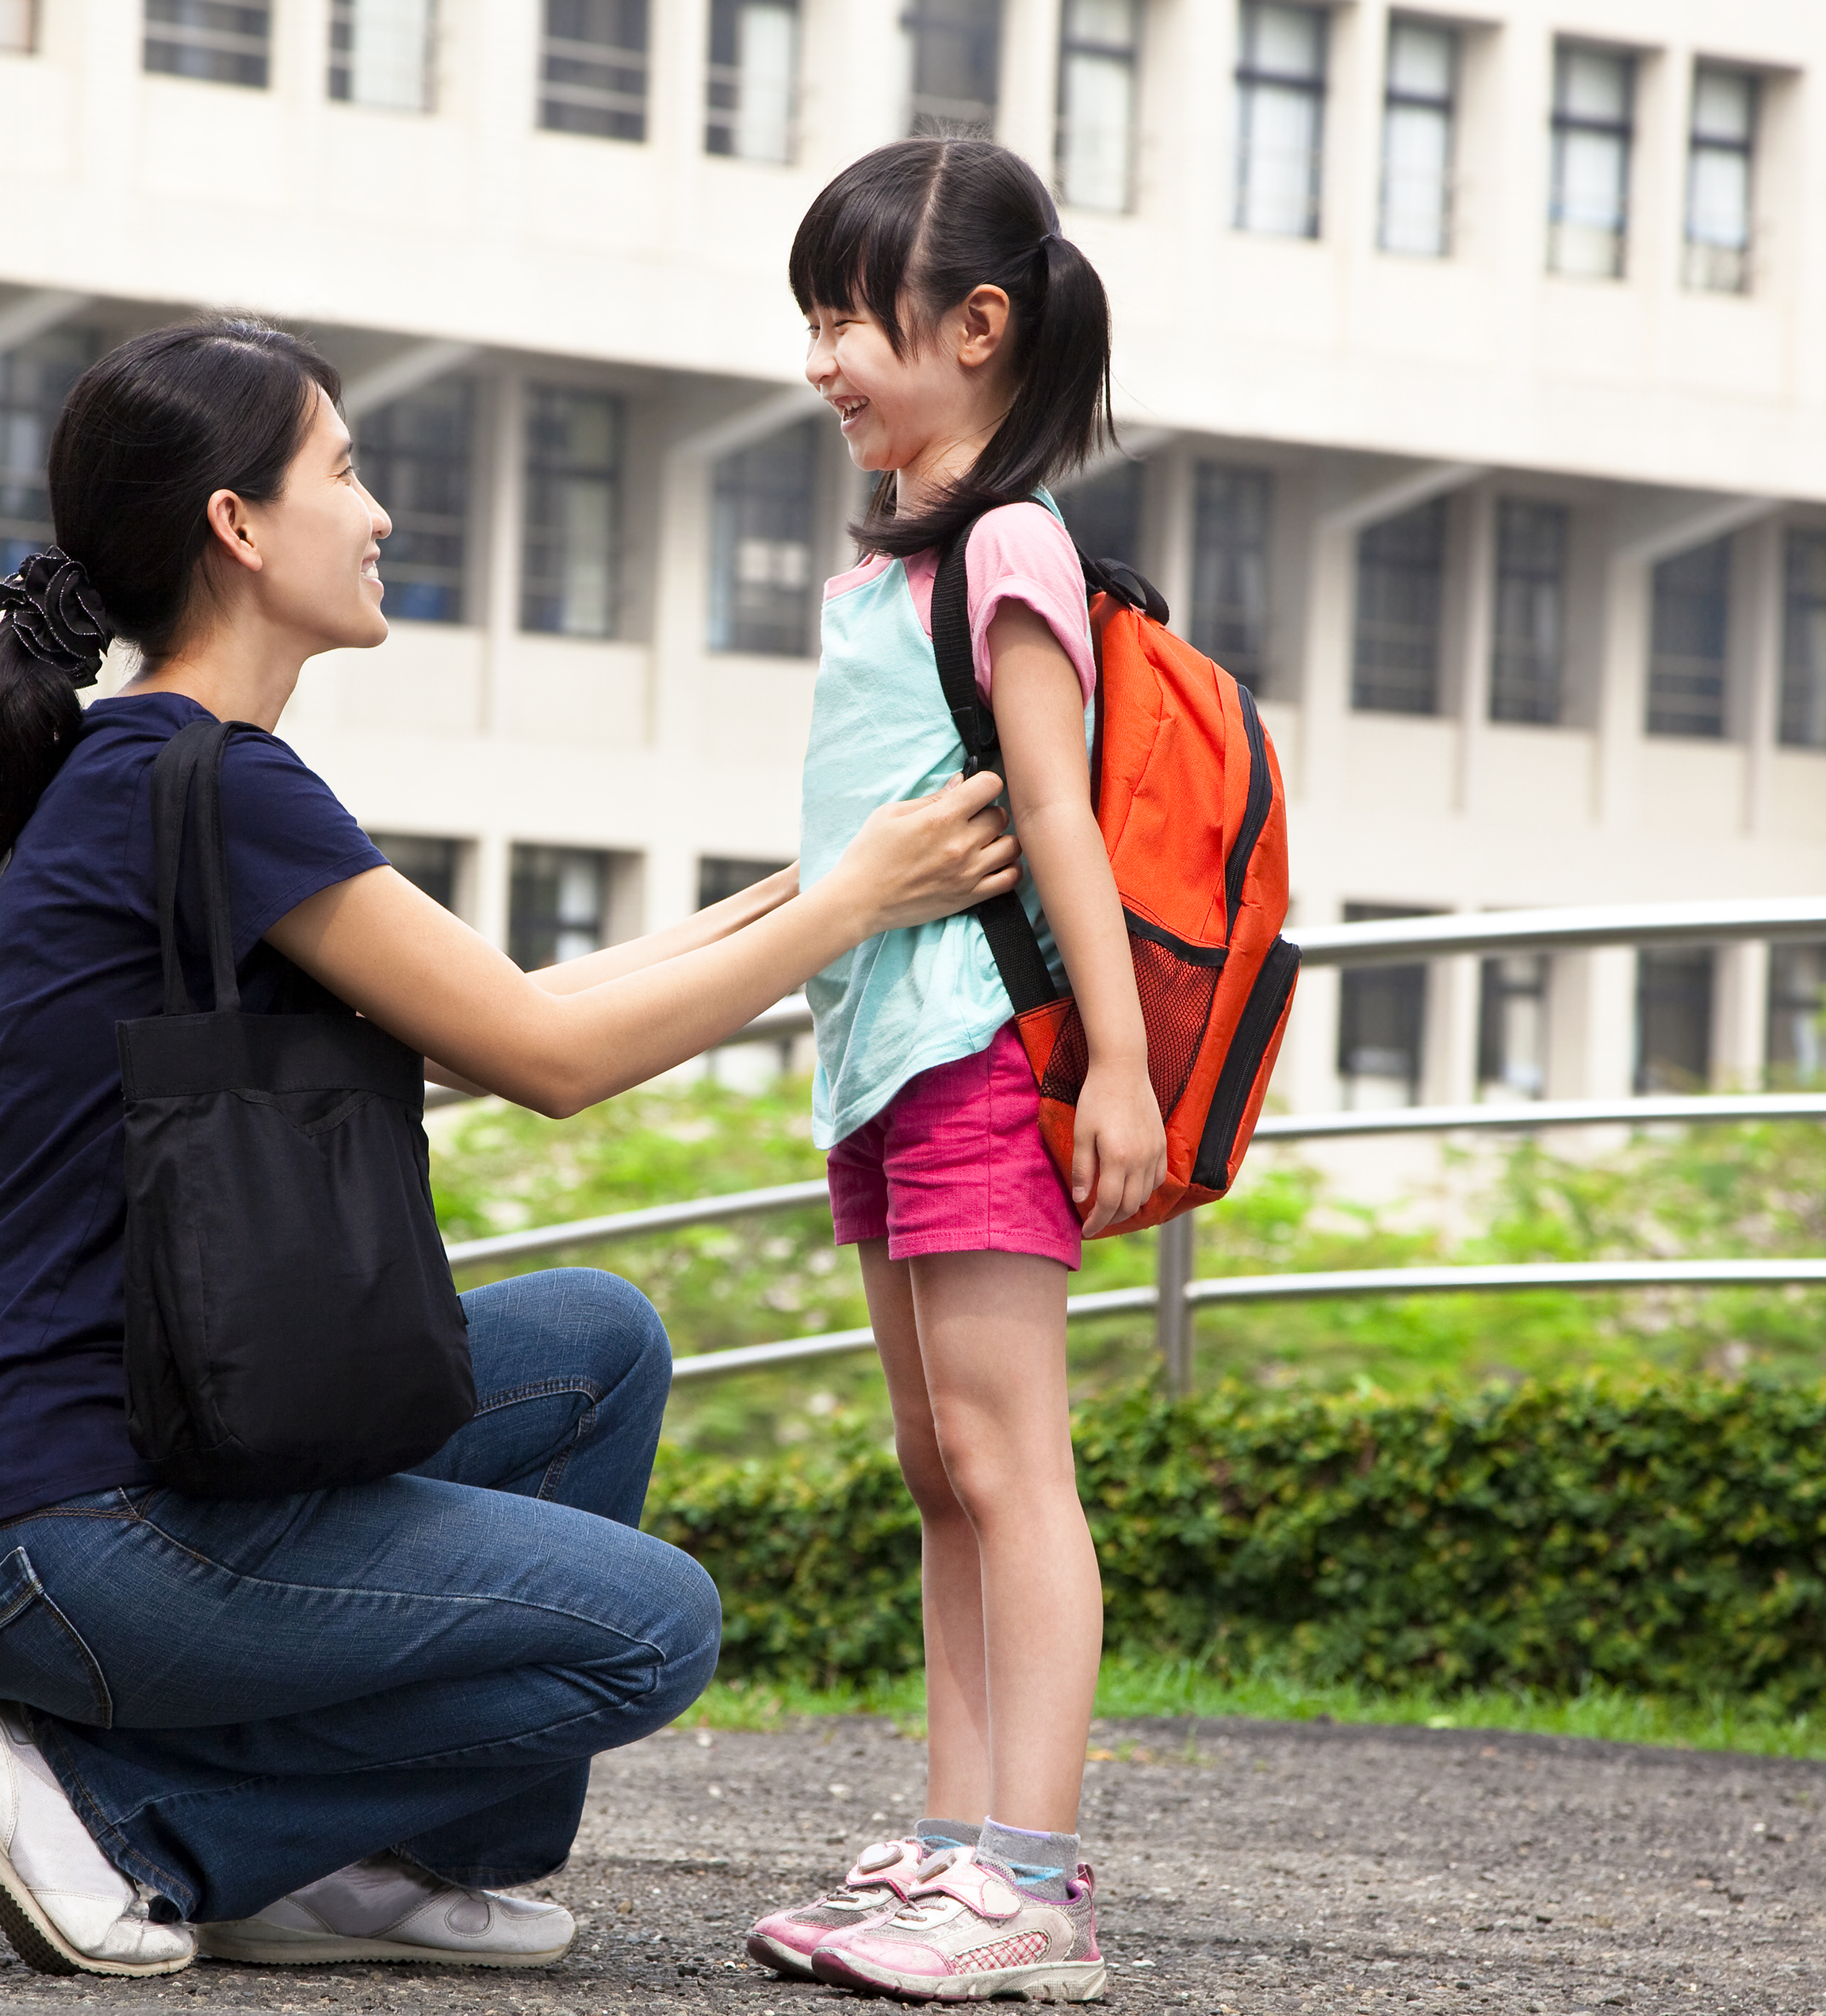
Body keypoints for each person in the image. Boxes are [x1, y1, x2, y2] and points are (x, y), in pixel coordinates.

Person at [0, 316, 1026, 1980]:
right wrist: (859, 899)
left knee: (589, 1346)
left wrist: (808, 889)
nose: (379, 514)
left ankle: (402, 1858)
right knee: (652, 1625)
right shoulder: (201, 781)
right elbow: (550, 1061)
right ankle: (123, 1814)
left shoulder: (177, 777)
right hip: (69, 1523)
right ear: (236, 525)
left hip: (66, 1488)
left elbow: (498, 1013)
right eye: (341, 471)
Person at [739, 140, 1165, 2006]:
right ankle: (950, 1840)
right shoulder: (885, 560)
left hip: (983, 1058)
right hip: (881, 1064)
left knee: (1008, 1459)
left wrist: (1120, 1068)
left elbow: (1056, 811)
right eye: (812, 317)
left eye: (851, 315)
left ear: (974, 327)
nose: (824, 355)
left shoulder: (1006, 542)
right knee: (938, 1462)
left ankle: (1032, 1879)